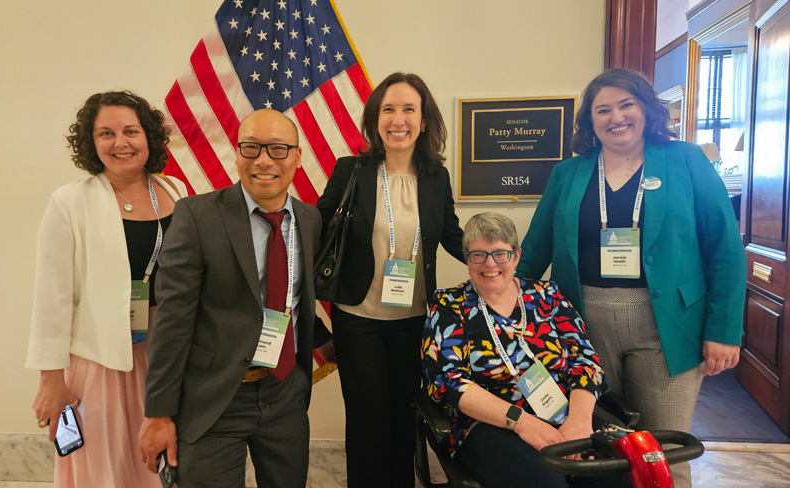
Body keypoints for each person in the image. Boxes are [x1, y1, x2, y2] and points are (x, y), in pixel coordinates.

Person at [515, 68, 746, 488]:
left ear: (645, 108)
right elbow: (535, 250)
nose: (615, 117)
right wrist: (503, 310)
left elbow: (725, 249)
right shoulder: (568, 172)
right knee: (598, 445)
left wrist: (725, 330)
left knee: (664, 451)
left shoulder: (686, 159)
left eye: (626, 104)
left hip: (669, 326)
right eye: (603, 110)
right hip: (582, 325)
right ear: (590, 122)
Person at [138, 109, 334, 488]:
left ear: (296, 157)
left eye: (278, 149)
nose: (263, 160)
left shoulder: (309, 220)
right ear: (237, 154)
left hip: (285, 393)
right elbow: (173, 319)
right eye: (251, 147)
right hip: (214, 397)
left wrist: (327, 341)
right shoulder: (197, 215)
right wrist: (159, 412)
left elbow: (291, 296)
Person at [26, 91, 188, 487]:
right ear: (90, 142)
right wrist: (51, 381)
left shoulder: (177, 193)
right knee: (103, 473)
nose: (120, 142)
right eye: (106, 133)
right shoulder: (69, 202)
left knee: (159, 471)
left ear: (148, 137)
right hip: (100, 366)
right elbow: (52, 297)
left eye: (131, 131)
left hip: (167, 359)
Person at [315, 72, 464, 488]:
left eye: (409, 109)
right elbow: (316, 234)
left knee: (403, 415)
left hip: (414, 318)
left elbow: (451, 234)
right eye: (389, 109)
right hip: (357, 317)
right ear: (375, 119)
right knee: (366, 420)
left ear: (424, 119)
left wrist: (495, 258)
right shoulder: (351, 171)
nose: (398, 119)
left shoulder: (436, 176)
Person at [423, 212, 618, 488]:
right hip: (490, 425)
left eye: (500, 254)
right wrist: (522, 421)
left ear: (516, 256)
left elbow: (585, 360)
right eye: (478, 255)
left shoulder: (547, 295)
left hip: (564, 414)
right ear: (467, 259)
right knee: (546, 483)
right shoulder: (449, 305)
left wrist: (579, 420)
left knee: (617, 474)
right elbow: (448, 382)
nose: (490, 264)